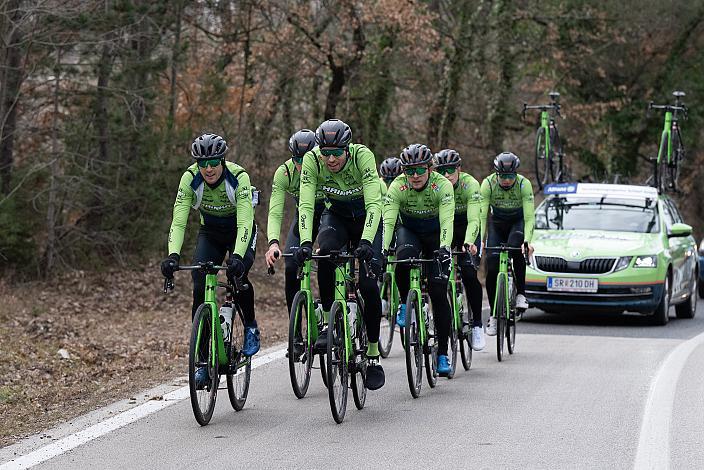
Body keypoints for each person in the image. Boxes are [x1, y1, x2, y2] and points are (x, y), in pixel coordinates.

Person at [160, 133, 260, 388]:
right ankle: (203, 361)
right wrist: (173, 255)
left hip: (240, 230)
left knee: (238, 275)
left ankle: (250, 326)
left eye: (214, 162)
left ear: (222, 160)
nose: (208, 168)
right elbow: (179, 220)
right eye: (203, 163)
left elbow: (246, 221)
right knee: (199, 285)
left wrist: (237, 256)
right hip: (211, 233)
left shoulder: (238, 177)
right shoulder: (190, 178)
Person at [294, 118, 386, 390]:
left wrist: (367, 241)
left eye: (336, 154)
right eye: (326, 153)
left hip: (367, 218)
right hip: (337, 216)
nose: (330, 159)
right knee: (326, 255)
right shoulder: (312, 160)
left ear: (347, 149)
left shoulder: (362, 157)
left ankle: (371, 352)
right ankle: (326, 322)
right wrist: (306, 242)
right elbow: (307, 204)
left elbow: (374, 204)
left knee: (369, 285)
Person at [382, 144, 455, 376]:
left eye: (420, 170)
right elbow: (389, 220)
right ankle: (405, 303)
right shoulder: (398, 186)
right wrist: (383, 248)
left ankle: (442, 353)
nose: (414, 176)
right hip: (410, 231)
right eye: (409, 171)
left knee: (438, 292)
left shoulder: (441, 185)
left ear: (430, 168)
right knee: (402, 259)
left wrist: (445, 247)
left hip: (435, 235)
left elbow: (447, 220)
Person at [264, 129, 325, 314]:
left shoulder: (326, 166)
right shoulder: (284, 173)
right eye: (297, 160)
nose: (302, 164)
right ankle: (295, 326)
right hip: (304, 217)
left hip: (328, 214)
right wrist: (273, 243)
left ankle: (330, 310)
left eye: (307, 159)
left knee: (328, 258)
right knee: (291, 266)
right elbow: (275, 212)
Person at [433, 149, 485, 351]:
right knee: (438, 276)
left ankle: (478, 324)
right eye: (442, 170)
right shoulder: (435, 185)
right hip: (446, 228)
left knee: (470, 273)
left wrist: (470, 241)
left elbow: (475, 219)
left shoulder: (470, 184)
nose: (446, 174)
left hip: (467, 229)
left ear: (459, 169)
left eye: (451, 170)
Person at [479, 152, 535, 336]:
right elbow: (481, 215)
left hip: (517, 223)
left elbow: (529, 216)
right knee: (492, 265)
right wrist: (479, 239)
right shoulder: (487, 184)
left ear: (515, 174)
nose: (506, 180)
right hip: (497, 224)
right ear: (496, 174)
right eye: (502, 176)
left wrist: (528, 240)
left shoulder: (523, 184)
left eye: (510, 176)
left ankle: (521, 294)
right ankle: (494, 316)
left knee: (516, 248)